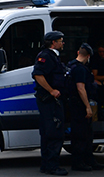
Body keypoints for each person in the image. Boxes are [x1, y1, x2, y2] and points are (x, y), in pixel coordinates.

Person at [32, 31, 68, 175]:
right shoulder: (45, 56)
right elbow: (38, 74)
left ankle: (47, 165)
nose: (63, 43)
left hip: (52, 101)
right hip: (49, 101)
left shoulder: (53, 56)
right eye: (61, 40)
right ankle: (51, 166)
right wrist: (51, 90)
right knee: (54, 132)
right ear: (53, 42)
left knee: (50, 132)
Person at [67, 43, 104, 171]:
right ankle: (78, 162)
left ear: (78, 52)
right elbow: (81, 88)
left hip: (74, 104)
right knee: (81, 135)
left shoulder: (70, 65)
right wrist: (88, 107)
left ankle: (89, 160)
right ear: (88, 56)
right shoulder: (80, 69)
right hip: (80, 106)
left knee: (87, 134)